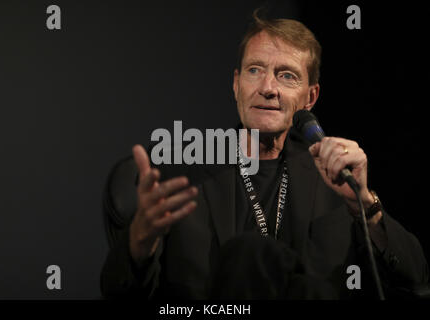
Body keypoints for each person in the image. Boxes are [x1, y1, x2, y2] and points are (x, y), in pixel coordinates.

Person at [100, 10, 429, 299]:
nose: (268, 87)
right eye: (255, 70)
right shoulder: (178, 173)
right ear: (236, 84)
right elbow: (119, 292)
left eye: (287, 75)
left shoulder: (335, 177)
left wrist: (365, 207)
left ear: (310, 97)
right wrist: (139, 240)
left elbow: (414, 282)